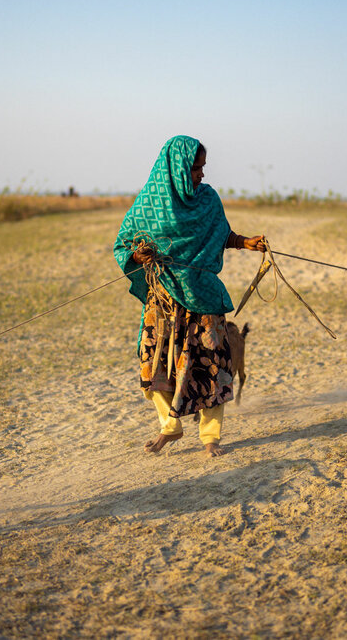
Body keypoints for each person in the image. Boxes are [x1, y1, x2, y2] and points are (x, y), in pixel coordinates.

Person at [113, 136, 265, 457]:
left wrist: (244, 242)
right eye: (196, 168)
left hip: (203, 297)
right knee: (152, 365)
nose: (201, 175)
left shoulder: (208, 200)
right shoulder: (149, 203)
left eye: (202, 168)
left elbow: (222, 235)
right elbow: (125, 243)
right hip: (164, 300)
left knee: (211, 365)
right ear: (177, 168)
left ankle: (211, 437)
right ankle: (170, 427)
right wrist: (139, 256)